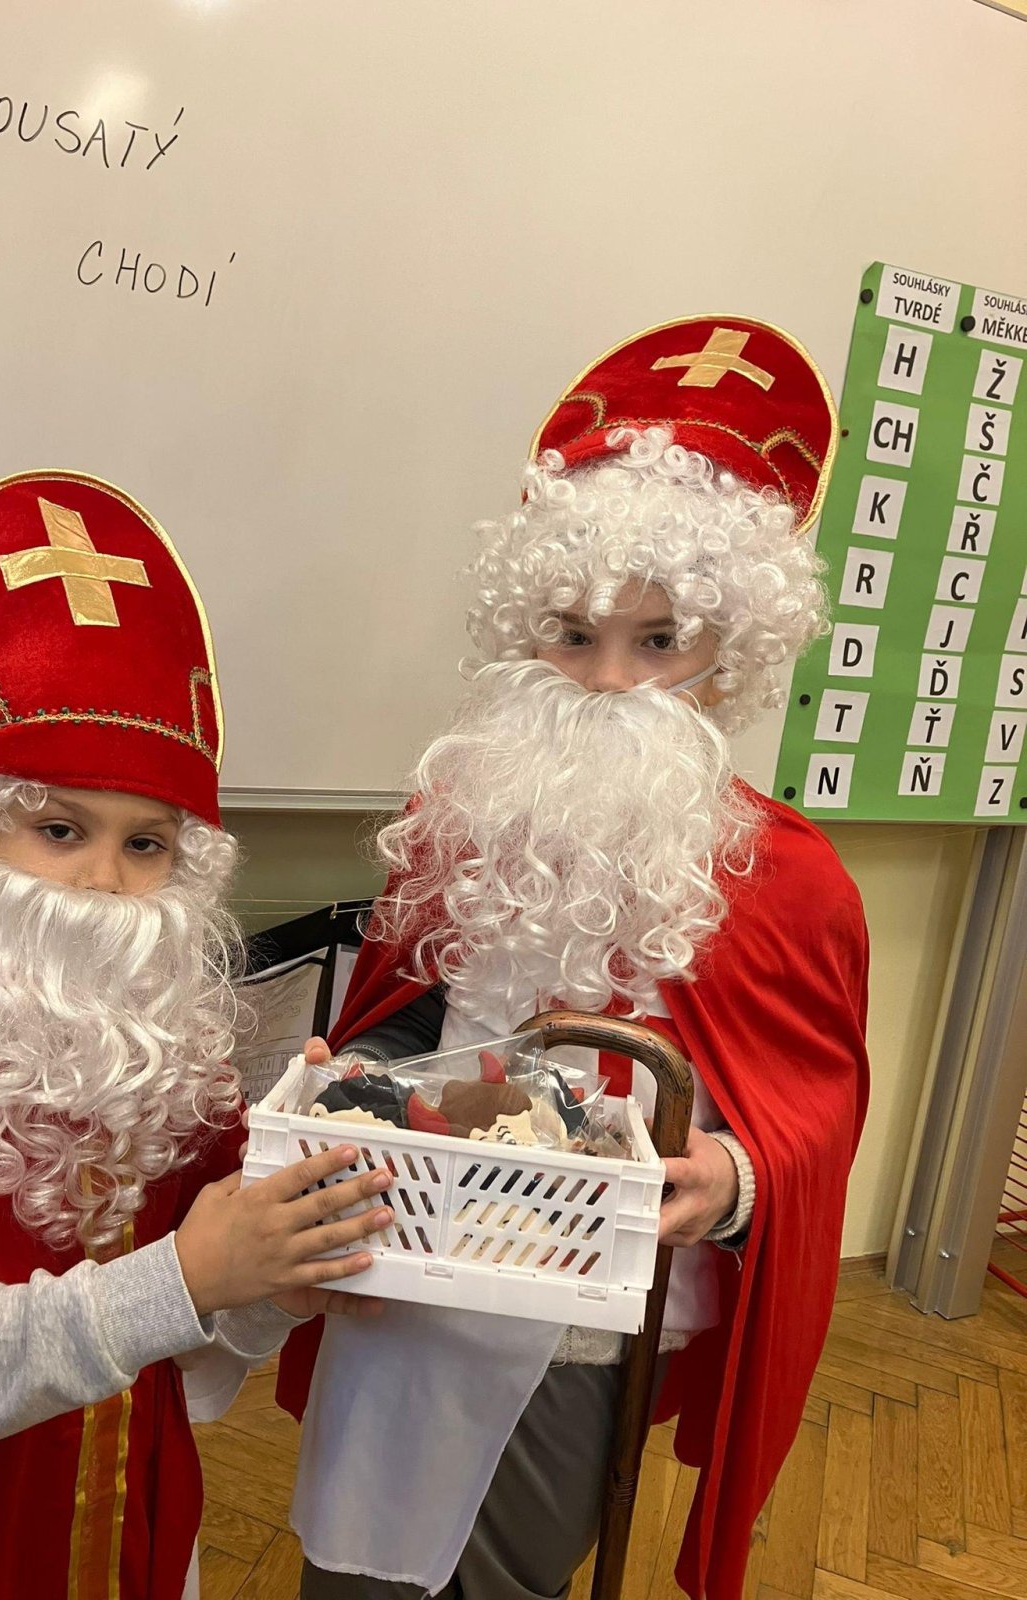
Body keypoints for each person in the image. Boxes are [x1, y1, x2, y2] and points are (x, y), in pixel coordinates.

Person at [278, 318, 871, 1600]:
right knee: (349, 1559)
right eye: (572, 632)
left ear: (727, 657)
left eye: (658, 643)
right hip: (407, 1262)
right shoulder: (462, 814)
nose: (606, 680)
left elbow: (815, 1109)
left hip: (584, 1321)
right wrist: (352, 1084)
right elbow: (412, 1008)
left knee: (507, 1569)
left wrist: (735, 1175)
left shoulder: (793, 876)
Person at [0, 471, 395, 1600]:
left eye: (146, 846)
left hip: (134, 1506)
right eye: (58, 829)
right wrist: (184, 1276)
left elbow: (209, 1323)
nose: (101, 882)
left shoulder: (168, 1052)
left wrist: (283, 1262)